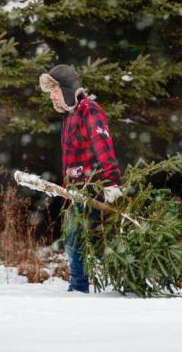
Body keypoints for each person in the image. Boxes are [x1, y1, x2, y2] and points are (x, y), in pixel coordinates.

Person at [39, 64, 122, 293]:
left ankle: (79, 288)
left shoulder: (89, 110)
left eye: (55, 90)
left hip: (93, 187)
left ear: (66, 89)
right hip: (77, 191)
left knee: (77, 239)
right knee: (87, 242)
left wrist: (112, 182)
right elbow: (72, 160)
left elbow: (103, 146)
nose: (52, 96)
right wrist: (66, 189)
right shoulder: (70, 115)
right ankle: (104, 278)